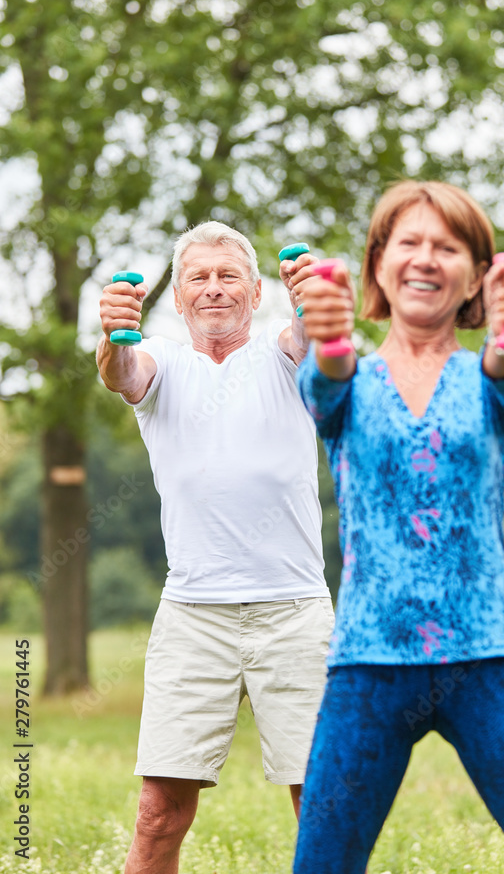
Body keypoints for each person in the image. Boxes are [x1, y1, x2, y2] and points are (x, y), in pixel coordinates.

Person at [291, 181, 504, 874]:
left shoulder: (493, 380)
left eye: (446, 247)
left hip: (487, 656)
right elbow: (325, 376)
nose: (425, 259)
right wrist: (331, 337)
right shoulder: (344, 378)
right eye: (408, 243)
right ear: (376, 264)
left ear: (476, 277)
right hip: (368, 662)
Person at [96, 222, 334, 874]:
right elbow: (122, 372)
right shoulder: (162, 362)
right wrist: (114, 332)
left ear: (257, 291)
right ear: (177, 296)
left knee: (323, 807)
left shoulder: (281, 357)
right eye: (197, 276)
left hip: (295, 611)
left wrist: (314, 304)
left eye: (228, 275)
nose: (213, 288)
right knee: (158, 815)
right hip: (194, 615)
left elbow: (313, 343)